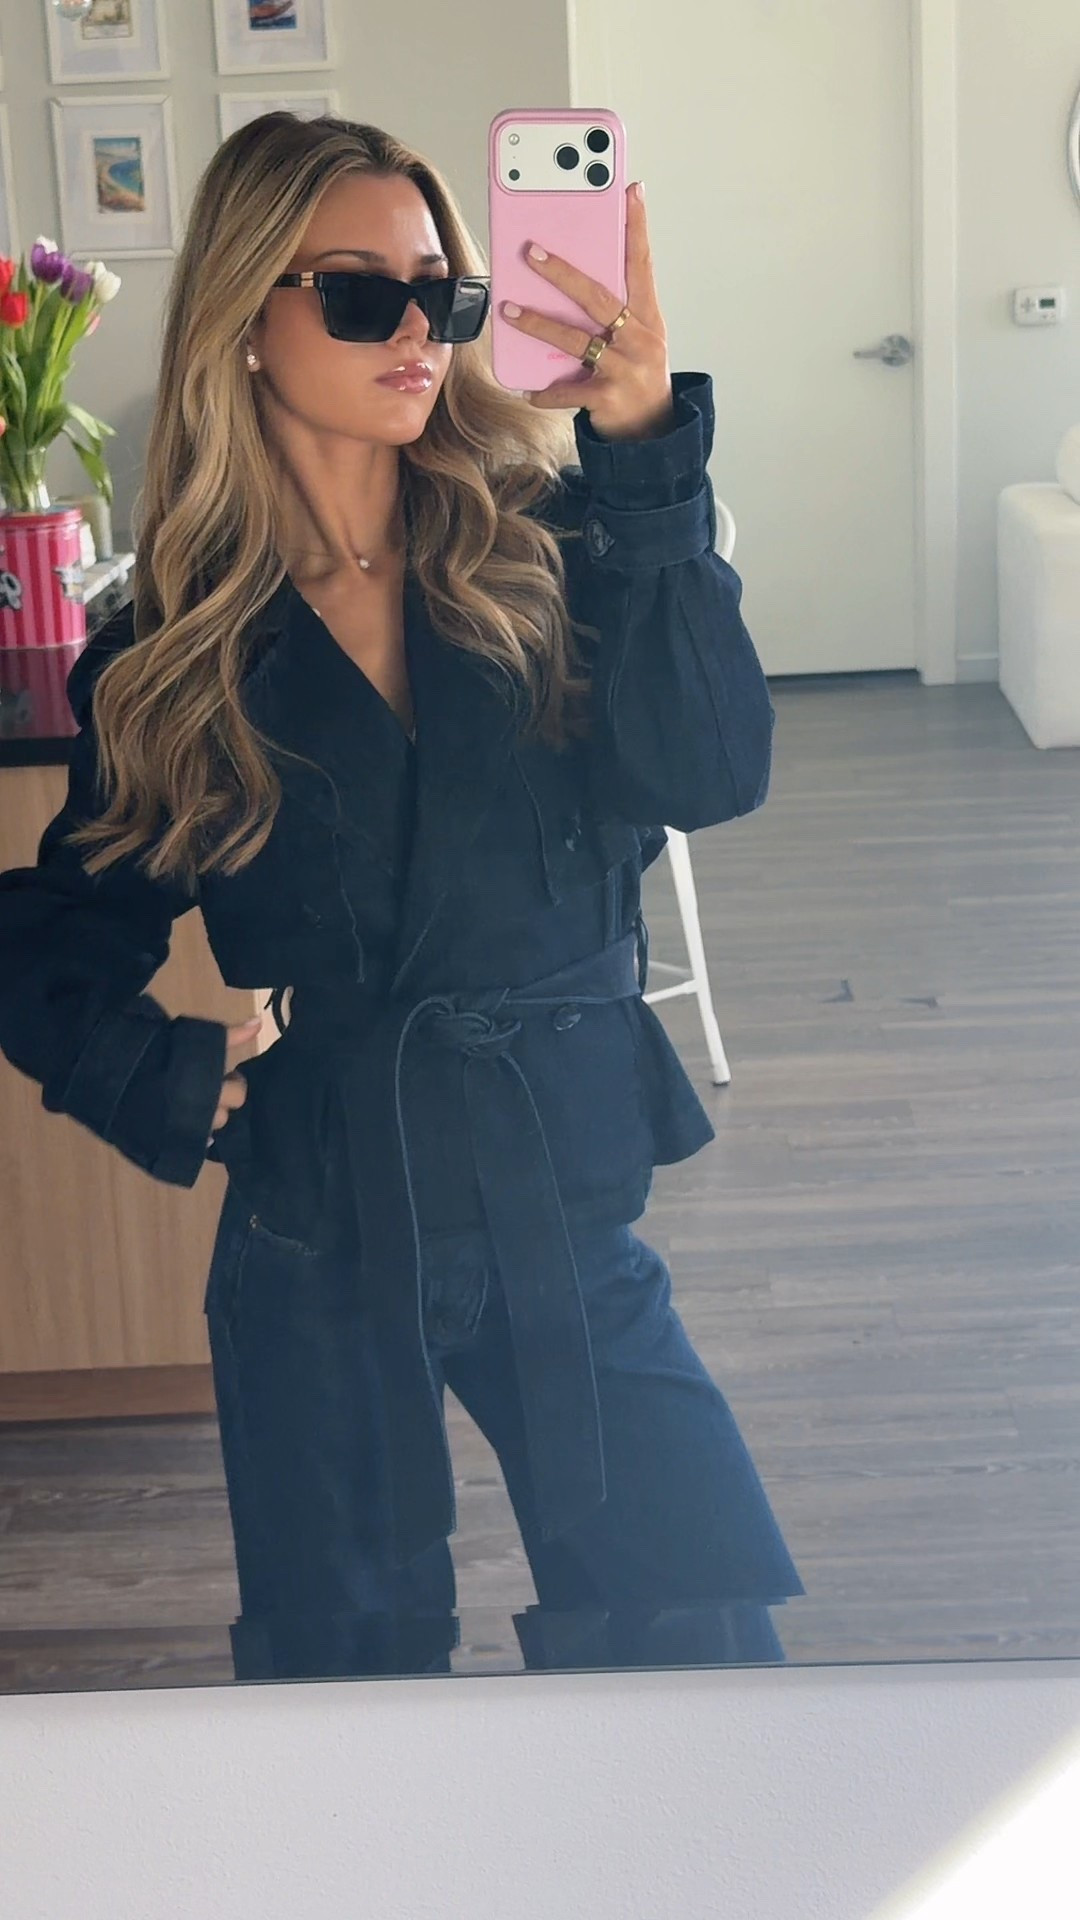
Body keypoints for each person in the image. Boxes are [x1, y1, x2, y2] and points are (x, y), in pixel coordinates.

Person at [0, 115, 804, 1680]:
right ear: (245, 318)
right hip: (326, 1212)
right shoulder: (176, 652)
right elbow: (53, 937)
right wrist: (166, 1076)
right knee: (347, 1682)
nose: (418, 333)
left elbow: (711, 773)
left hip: (564, 1189)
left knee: (698, 1644)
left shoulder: (553, 550)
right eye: (363, 295)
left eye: (444, 294)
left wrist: (646, 453)